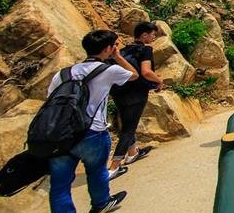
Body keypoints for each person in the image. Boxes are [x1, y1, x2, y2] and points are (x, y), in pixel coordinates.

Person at [47, 30, 138, 213]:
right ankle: (101, 203)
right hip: (92, 132)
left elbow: (50, 99)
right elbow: (134, 75)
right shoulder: (108, 71)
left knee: (59, 185)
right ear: (108, 49)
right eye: (114, 46)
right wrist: (118, 57)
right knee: (96, 171)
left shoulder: (63, 74)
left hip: (62, 134)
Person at [107, 22, 164, 180]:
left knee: (127, 123)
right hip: (136, 94)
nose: (153, 38)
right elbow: (146, 72)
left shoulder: (124, 50)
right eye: (152, 35)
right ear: (144, 35)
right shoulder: (145, 49)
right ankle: (114, 167)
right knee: (129, 129)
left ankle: (132, 153)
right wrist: (159, 81)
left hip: (119, 93)